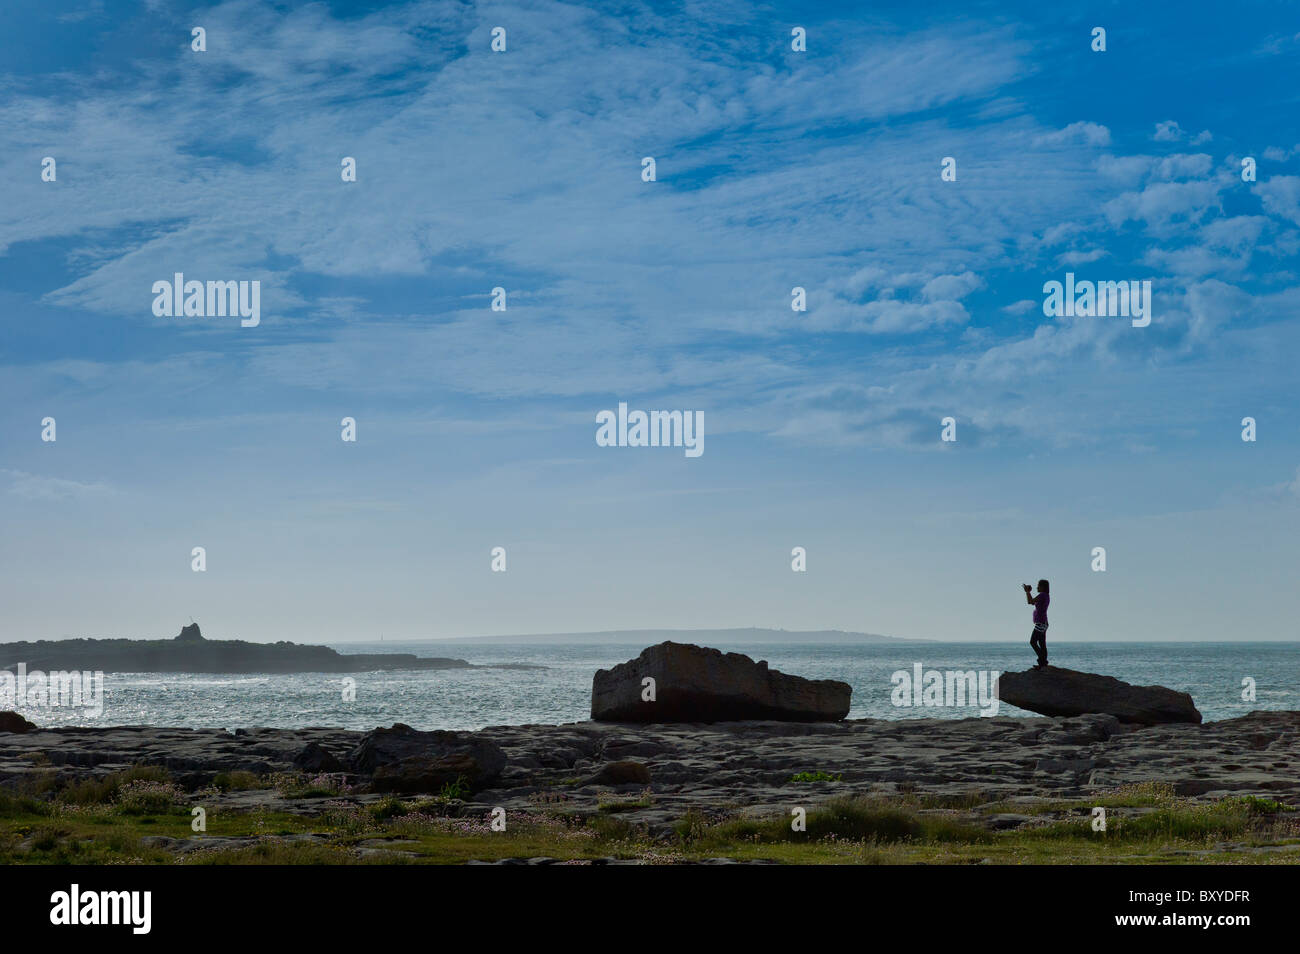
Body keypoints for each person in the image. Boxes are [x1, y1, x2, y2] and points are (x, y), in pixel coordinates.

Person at [1023, 579, 1050, 668]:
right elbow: (1031, 602)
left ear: (1042, 587)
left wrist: (1027, 592)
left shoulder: (1042, 595)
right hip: (1044, 622)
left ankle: (1042, 660)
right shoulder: (1046, 595)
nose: (1037, 587)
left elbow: (1030, 602)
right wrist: (1028, 592)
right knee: (1042, 643)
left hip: (1040, 623)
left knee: (1033, 642)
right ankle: (1043, 664)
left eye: (1038, 585)